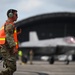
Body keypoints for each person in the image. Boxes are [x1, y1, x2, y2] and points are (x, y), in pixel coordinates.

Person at [0, 9, 20, 75]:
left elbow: (9, 35)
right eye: (16, 15)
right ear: (10, 15)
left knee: (10, 67)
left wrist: (17, 32)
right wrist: (14, 47)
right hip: (7, 48)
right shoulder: (9, 25)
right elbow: (9, 37)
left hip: (6, 48)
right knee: (12, 68)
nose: (17, 16)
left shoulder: (8, 24)